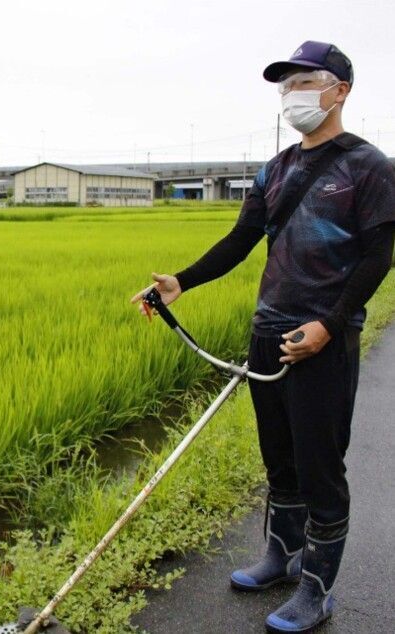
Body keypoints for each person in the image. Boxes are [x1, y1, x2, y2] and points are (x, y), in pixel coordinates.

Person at [130, 40, 395, 633]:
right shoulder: (274, 169)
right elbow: (240, 239)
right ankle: (282, 556)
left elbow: (380, 256)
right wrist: (182, 282)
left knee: (320, 465)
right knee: (278, 458)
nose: (292, 95)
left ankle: (318, 589)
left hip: (321, 336)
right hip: (269, 331)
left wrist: (330, 324)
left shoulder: (370, 166)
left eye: (305, 82)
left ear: (340, 91)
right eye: (286, 86)